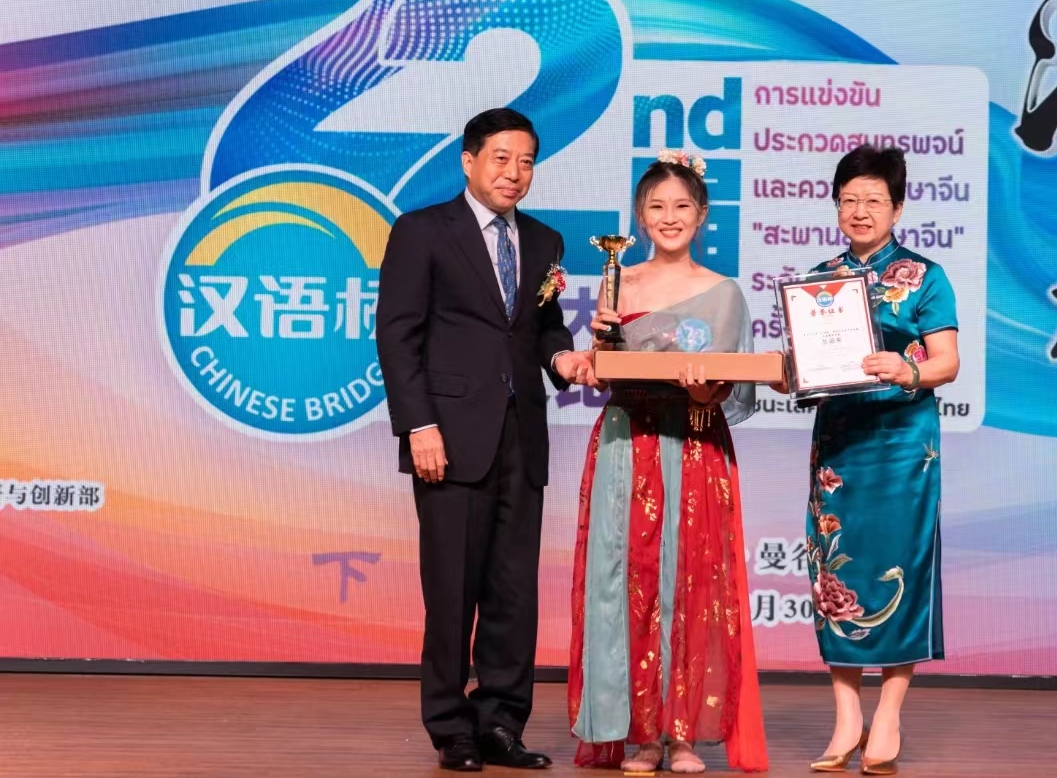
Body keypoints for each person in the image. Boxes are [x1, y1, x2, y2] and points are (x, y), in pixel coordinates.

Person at [376, 108, 596, 772]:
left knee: (513, 592)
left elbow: (544, 327)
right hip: (447, 438)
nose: (515, 173)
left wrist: (562, 358)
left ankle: (502, 720)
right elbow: (398, 335)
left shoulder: (544, 240)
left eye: (526, 161)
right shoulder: (422, 231)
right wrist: (419, 425)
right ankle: (451, 727)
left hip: (521, 437)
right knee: (451, 590)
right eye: (502, 158)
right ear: (469, 160)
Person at [567, 150, 770, 774]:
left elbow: (726, 389)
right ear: (639, 216)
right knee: (623, 580)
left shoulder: (723, 292)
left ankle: (683, 732)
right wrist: (596, 348)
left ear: (703, 214)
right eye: (656, 206)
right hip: (627, 444)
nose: (670, 216)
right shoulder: (618, 283)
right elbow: (602, 374)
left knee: (691, 580)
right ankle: (640, 733)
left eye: (682, 206)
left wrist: (703, 389)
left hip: (694, 444)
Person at [803, 145, 959, 775]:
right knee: (833, 569)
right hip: (839, 447)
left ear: (897, 208)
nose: (860, 211)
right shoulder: (819, 278)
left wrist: (906, 368)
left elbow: (947, 363)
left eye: (873, 200)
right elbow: (806, 363)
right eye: (849, 200)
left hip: (901, 445)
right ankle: (846, 717)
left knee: (901, 566)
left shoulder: (926, 276)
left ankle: (889, 711)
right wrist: (793, 373)